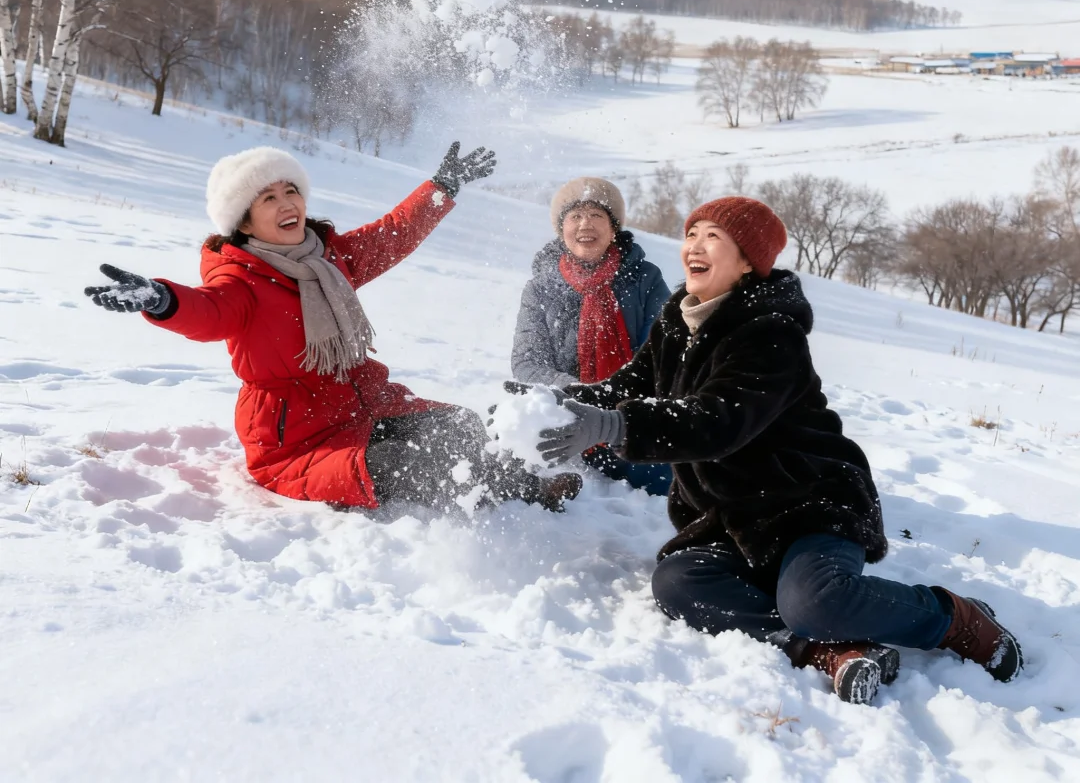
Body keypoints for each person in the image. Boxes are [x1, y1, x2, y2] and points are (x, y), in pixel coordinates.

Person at [516, 196, 1023, 704]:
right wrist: (551, 406)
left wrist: (612, 425)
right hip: (733, 516)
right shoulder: (677, 322)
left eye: (713, 237)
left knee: (814, 600)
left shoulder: (771, 333)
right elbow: (625, 387)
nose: (694, 245)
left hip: (808, 506)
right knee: (677, 583)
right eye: (692, 234)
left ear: (747, 261)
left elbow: (718, 421)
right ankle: (827, 650)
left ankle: (952, 617)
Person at [84, 143, 580, 515]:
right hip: (295, 439)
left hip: (360, 401)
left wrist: (441, 188)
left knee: (460, 426)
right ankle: (530, 495)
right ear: (246, 222)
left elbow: (391, 235)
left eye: (291, 190)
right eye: (268, 197)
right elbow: (208, 311)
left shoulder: (329, 258)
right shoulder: (239, 277)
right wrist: (162, 299)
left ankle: (515, 478)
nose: (286, 203)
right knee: (404, 464)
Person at [511, 177, 672, 495]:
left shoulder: (645, 280)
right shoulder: (541, 288)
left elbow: (662, 353)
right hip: (564, 414)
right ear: (561, 230)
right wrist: (582, 394)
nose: (586, 224)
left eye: (597, 215)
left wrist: (611, 403)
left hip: (630, 417)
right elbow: (527, 364)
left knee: (666, 480)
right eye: (575, 216)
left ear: (614, 230)